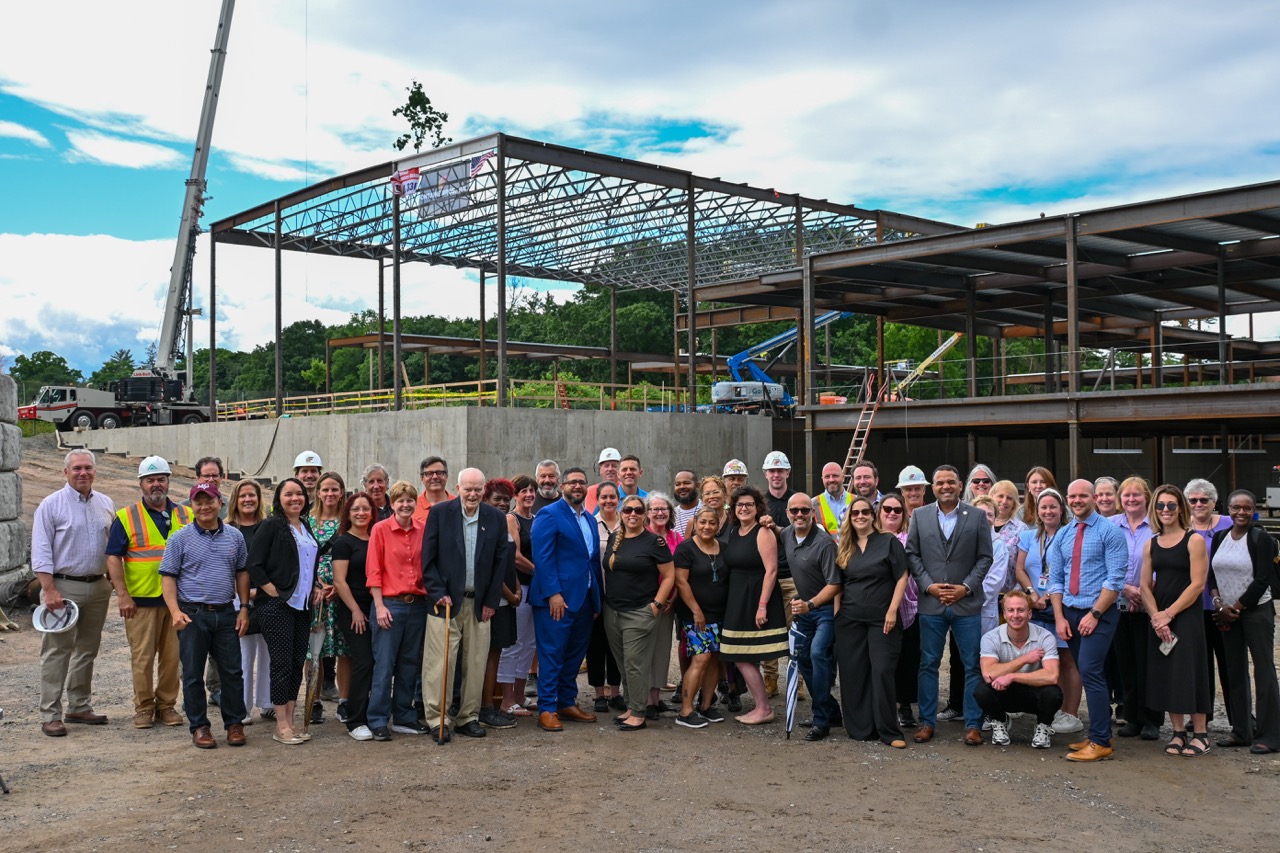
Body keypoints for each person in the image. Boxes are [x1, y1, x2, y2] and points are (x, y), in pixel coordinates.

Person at [421, 469, 511, 743]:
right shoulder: (439, 514)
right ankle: (438, 719)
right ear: (457, 487)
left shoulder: (495, 518)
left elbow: (499, 564)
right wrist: (438, 593)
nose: (472, 494)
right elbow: (428, 559)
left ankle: (468, 717)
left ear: (483, 489)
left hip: (480, 604)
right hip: (445, 602)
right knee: (440, 664)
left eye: (477, 489)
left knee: (475, 662)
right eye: (467, 489)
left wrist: (491, 601)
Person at [158, 482, 250, 749]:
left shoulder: (235, 536)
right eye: (198, 502)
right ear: (191, 506)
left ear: (219, 502)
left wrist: (243, 607)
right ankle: (199, 727)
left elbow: (242, 572)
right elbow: (168, 577)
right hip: (193, 615)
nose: (204, 506)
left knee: (232, 672)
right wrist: (175, 611)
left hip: (226, 613)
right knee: (193, 674)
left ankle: (234, 723)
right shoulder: (179, 538)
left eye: (209, 500)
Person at [907, 464, 993, 747]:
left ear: (959, 486)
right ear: (933, 487)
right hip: (931, 603)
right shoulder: (919, 516)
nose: (945, 486)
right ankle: (927, 722)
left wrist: (965, 588)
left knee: (971, 665)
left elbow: (984, 558)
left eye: (951, 482)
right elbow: (913, 555)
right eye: (940, 482)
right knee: (928, 663)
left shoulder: (978, 516)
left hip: (966, 604)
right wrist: (929, 586)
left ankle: (973, 724)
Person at [31, 450, 116, 737]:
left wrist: (113, 580)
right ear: (65, 472)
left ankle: (79, 705)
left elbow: (112, 547)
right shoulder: (51, 505)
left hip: (98, 586)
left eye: (88, 468)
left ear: (95, 471)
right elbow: (41, 549)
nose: (83, 473)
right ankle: (50, 713)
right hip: (62, 588)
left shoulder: (105, 503)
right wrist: (49, 589)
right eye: (77, 468)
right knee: (57, 650)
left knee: (88, 650)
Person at [104, 455, 192, 730]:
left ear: (168, 482)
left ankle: (166, 706)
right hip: (141, 601)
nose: (156, 485)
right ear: (141, 484)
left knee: (172, 657)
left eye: (161, 479)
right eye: (150, 480)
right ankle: (143, 708)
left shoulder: (186, 515)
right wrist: (122, 595)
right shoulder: (126, 517)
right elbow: (113, 558)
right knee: (142, 658)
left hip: (178, 601)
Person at [1047, 479, 1128, 762]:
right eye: (1073, 496)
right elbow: (1055, 579)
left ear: (1094, 498)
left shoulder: (1110, 532)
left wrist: (1094, 614)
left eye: (1083, 495)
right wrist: (1059, 617)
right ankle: (1098, 733)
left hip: (1099, 613)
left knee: (1091, 671)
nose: (1077, 500)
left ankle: (1101, 741)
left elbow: (1116, 578)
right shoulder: (1064, 534)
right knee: (1087, 672)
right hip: (1069, 612)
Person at [246, 477, 322, 746]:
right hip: (278, 606)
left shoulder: (305, 526)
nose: (295, 499)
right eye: (288, 494)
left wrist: (314, 585)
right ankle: (280, 725)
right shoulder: (271, 526)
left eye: (299, 494)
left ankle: (290, 721)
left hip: (303, 606)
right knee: (281, 665)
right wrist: (271, 590)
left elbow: (305, 563)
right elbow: (253, 563)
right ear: (279, 498)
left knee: (295, 665)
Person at [529, 467, 603, 732]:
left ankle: (565, 701)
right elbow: (543, 557)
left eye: (582, 482)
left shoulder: (590, 520)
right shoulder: (549, 514)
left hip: (583, 598)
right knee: (552, 653)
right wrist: (554, 594)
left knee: (574, 654)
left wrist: (596, 599)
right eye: (572, 482)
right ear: (562, 486)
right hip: (556, 600)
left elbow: (592, 562)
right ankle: (547, 708)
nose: (577, 486)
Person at [1139, 485, 1211, 757]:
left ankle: (1201, 734)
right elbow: (1145, 585)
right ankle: (1178, 732)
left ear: (1181, 507)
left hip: (1186, 614)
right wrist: (1157, 617)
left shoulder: (1194, 540)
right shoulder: (1151, 543)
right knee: (1166, 672)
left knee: (1190, 670)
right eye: (1160, 506)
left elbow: (1197, 584)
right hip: (1159, 616)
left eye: (1171, 505)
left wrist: (1169, 614)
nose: (1165, 510)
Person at [834, 495, 909, 747]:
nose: (860, 517)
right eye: (855, 513)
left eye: (865, 512)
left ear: (872, 515)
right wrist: (837, 614)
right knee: (854, 672)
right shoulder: (845, 546)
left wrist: (892, 610)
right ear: (849, 517)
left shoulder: (888, 542)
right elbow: (838, 584)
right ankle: (860, 728)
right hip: (850, 620)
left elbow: (902, 577)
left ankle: (889, 732)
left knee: (882, 671)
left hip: (882, 620)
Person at [1210, 490, 1280, 754]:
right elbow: (1211, 576)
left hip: (1256, 612)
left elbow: (1262, 579)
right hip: (1226, 611)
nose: (1241, 512)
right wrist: (1219, 604)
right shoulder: (1220, 537)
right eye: (1236, 508)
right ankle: (1241, 731)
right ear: (1228, 509)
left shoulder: (1260, 538)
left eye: (1247, 508)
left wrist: (1236, 608)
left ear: (1254, 510)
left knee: (1263, 670)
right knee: (1234, 670)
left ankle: (1270, 735)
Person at [1012, 488, 1083, 735]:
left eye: (1053, 507)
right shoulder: (1029, 536)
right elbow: (1020, 569)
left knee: (1066, 660)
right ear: (1038, 511)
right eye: (1044, 507)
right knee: (1036, 657)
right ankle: (1041, 708)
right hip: (1036, 605)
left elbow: (1070, 569)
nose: (1048, 511)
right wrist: (1032, 593)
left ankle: (1070, 713)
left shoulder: (1069, 535)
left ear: (1061, 509)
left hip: (1060, 606)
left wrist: (1049, 596)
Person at [603, 495, 676, 731]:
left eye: (637, 510)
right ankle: (631, 705)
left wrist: (656, 604)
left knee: (636, 663)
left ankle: (638, 712)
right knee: (624, 662)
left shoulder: (654, 542)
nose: (632, 514)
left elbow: (669, 576)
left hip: (640, 611)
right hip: (612, 611)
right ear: (622, 513)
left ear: (644, 514)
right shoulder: (616, 537)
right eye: (628, 510)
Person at [364, 480, 428, 741]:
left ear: (415, 503)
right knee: (384, 664)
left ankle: (403, 715)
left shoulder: (424, 529)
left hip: (418, 605)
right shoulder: (380, 529)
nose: (405, 504)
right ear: (392, 504)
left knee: (410, 664)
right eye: (400, 500)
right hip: (390, 605)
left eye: (410, 500)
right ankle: (378, 719)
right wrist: (379, 607)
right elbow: (374, 571)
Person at [719, 486, 788, 725]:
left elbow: (772, 571)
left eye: (749, 504)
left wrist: (762, 606)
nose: (744, 508)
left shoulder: (763, 532)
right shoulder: (734, 531)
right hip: (737, 597)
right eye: (739, 505)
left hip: (756, 597)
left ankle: (764, 708)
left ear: (758, 507)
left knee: (744, 655)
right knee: (737, 654)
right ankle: (762, 705)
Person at [781, 492, 842, 741]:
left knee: (818, 654)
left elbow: (835, 584)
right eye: (794, 510)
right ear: (788, 513)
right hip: (805, 611)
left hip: (823, 610)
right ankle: (831, 711)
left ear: (812, 513)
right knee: (801, 656)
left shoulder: (825, 543)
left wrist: (810, 604)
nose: (799, 515)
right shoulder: (785, 534)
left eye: (804, 510)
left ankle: (821, 720)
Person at [975, 590, 1062, 749]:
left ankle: (1043, 726)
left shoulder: (1045, 636)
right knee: (981, 690)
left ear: (1029, 614)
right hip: (1004, 691)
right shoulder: (990, 637)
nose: (1016, 615)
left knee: (1054, 693)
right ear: (1005, 613)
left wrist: (1012, 677)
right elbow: (989, 674)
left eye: (1021, 610)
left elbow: (1052, 676)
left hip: (1033, 692)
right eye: (1011, 610)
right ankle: (999, 721)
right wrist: (1024, 659)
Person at [1109, 476, 1160, 741]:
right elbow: (1102, 562)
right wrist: (1125, 588)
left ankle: (1152, 720)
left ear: (1146, 497)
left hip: (1149, 605)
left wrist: (1147, 590)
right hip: (1119, 603)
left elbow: (1167, 558)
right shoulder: (1110, 525)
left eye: (1136, 495)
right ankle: (1132, 718)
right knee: (1126, 663)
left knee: (1148, 663)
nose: (1131, 499)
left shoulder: (1157, 525)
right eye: (1126, 495)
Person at [672, 507, 731, 727]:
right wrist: (696, 610)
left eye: (712, 523)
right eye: (702, 522)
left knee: (714, 657)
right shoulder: (686, 549)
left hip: (720, 613)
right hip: (695, 615)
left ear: (718, 526)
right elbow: (681, 581)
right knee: (701, 657)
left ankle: (706, 706)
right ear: (695, 524)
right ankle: (685, 711)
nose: (707, 527)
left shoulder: (724, 548)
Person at [1185, 477, 1234, 730]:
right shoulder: (1182, 528)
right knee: (1200, 668)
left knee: (1231, 664)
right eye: (1193, 500)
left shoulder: (1229, 523)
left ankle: (1240, 719)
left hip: (1224, 608)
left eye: (1204, 499)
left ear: (1214, 502)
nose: (1199, 504)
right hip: (1194, 609)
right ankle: (1202, 717)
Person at [477, 478, 522, 730]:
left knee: (496, 653)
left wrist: (516, 588)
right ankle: (485, 708)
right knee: (488, 656)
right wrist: (511, 593)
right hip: (493, 602)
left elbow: (508, 564)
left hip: (507, 600)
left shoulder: (502, 525)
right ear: (485, 500)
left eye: (506, 499)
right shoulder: (484, 527)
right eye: (498, 499)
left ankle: (489, 706)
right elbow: (490, 569)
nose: (503, 504)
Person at [331, 491, 376, 741]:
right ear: (348, 514)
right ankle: (355, 720)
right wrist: (356, 610)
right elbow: (339, 581)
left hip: (377, 606)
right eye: (356, 509)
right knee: (363, 661)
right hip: (352, 610)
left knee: (378, 661)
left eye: (366, 509)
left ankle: (372, 713)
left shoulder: (377, 538)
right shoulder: (343, 542)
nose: (361, 513)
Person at [227, 480, 270, 724]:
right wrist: (243, 593)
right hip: (236, 601)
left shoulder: (268, 528)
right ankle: (241, 708)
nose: (248, 500)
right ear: (236, 499)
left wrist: (259, 592)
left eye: (252, 495)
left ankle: (268, 703)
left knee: (268, 653)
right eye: (243, 495)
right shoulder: (227, 529)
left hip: (265, 598)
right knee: (241, 656)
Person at [499, 475, 539, 717]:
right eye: (524, 491)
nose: (528, 495)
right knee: (513, 644)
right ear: (515, 495)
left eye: (532, 491)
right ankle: (506, 700)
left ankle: (521, 695)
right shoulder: (510, 519)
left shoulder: (537, 519)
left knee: (529, 644)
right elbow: (515, 556)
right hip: (520, 588)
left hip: (537, 589)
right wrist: (541, 572)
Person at [308, 472, 346, 725]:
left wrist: (340, 586)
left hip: (342, 593)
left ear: (342, 492)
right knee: (314, 651)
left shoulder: (348, 520)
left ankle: (345, 701)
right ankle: (314, 699)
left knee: (345, 649)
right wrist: (314, 585)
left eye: (335, 489)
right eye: (326, 490)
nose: (330, 494)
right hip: (315, 595)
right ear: (318, 492)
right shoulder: (307, 521)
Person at [879, 493, 920, 728]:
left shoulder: (911, 539)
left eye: (897, 510)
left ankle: (905, 705)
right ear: (880, 512)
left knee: (908, 658)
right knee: (884, 660)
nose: (892, 513)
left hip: (910, 606)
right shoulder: (872, 538)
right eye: (887, 509)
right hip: (879, 608)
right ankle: (884, 705)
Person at [587, 481, 624, 712]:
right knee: (596, 644)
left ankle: (615, 692)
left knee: (616, 645)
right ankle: (599, 694)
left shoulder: (628, 521)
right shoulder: (591, 523)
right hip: (597, 592)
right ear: (598, 499)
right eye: (604, 497)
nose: (609, 501)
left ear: (618, 499)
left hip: (621, 594)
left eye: (612, 497)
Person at [645, 492, 682, 715]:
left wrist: (674, 596)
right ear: (647, 513)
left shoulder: (677, 539)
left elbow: (681, 572)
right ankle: (646, 701)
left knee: (662, 650)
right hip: (645, 602)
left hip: (669, 601)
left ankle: (656, 698)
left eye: (664, 509)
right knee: (644, 650)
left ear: (670, 513)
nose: (660, 513)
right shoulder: (640, 535)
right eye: (655, 509)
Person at [970, 496, 1009, 634]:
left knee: (985, 653)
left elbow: (995, 582)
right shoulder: (962, 541)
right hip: (961, 610)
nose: (985, 518)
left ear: (995, 518)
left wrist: (969, 599)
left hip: (984, 611)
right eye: (980, 513)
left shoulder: (999, 545)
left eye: (990, 514)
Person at [989, 480, 1027, 580]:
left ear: (1014, 503)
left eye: (1009, 498)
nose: (1004, 501)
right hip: (980, 590)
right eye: (1000, 496)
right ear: (991, 497)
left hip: (1010, 593)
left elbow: (1024, 568)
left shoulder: (1021, 529)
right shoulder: (979, 524)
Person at [812, 462, 852, 540]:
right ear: (822, 479)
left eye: (835, 476)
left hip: (852, 550)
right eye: (827, 477)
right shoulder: (812, 504)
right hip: (824, 551)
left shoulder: (856, 501)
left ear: (843, 478)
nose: (831, 480)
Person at [412, 457, 453, 523]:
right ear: (422, 478)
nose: (435, 477)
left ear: (446, 476)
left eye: (439, 472)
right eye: (429, 473)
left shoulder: (458, 504)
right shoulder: (412, 506)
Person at [584, 447, 622, 513]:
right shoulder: (592, 491)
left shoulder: (624, 488)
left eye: (614, 466)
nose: (610, 469)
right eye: (606, 466)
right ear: (600, 469)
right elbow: (591, 517)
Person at [762, 452, 795, 524]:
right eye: (772, 471)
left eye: (780, 471)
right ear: (765, 474)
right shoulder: (759, 502)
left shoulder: (797, 500)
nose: (776, 475)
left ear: (787, 473)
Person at [672, 468, 701, 533]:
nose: (682, 487)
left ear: (697, 485)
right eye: (678, 484)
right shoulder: (671, 515)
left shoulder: (707, 509)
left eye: (687, 483)